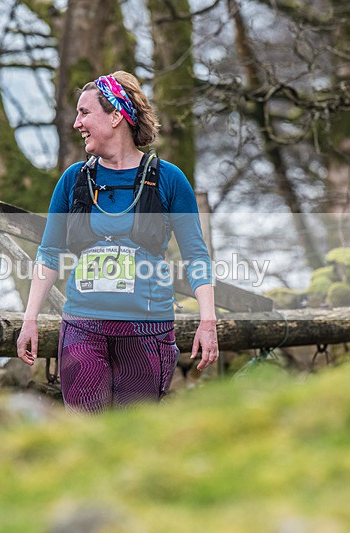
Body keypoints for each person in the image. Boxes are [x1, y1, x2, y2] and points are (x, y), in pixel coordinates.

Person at [16, 71, 218, 413]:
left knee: (133, 432)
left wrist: (208, 321)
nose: (77, 123)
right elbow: (49, 253)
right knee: (85, 431)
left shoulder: (169, 179)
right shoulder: (73, 180)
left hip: (147, 331)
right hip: (83, 327)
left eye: (84, 112)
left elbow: (196, 255)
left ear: (115, 116)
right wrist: (29, 319)